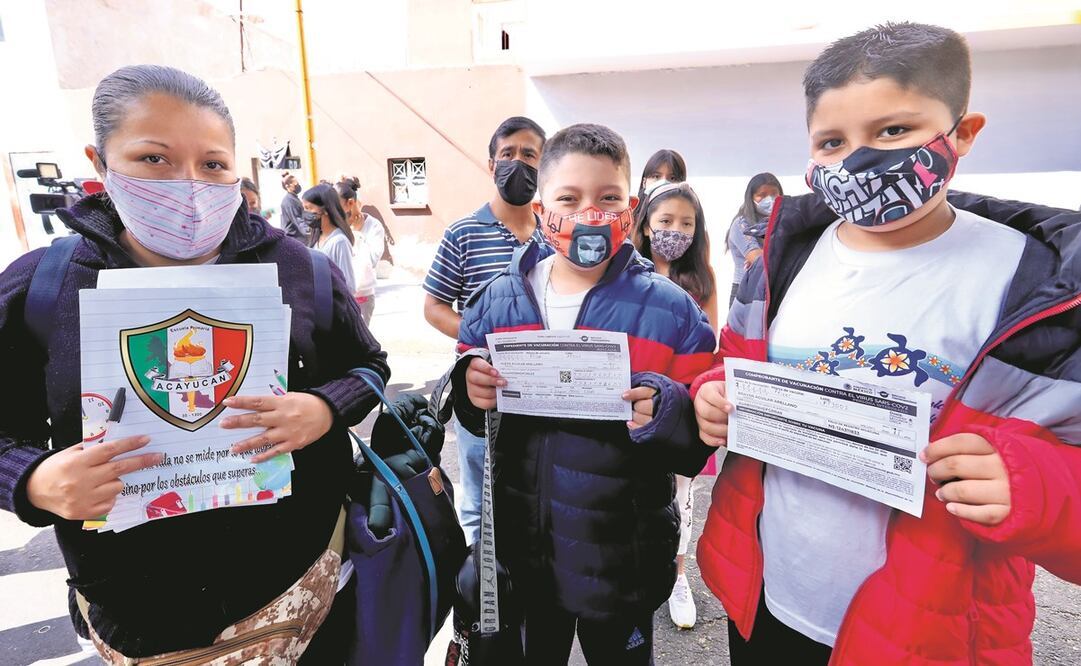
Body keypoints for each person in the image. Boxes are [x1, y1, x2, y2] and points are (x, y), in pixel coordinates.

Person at [692, 23, 1081, 664]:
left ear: (963, 132)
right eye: (833, 141)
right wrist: (714, 396)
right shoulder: (782, 258)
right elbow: (736, 365)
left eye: (893, 131)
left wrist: (1029, 484)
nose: (861, 158)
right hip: (767, 604)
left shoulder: (1034, 286)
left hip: (925, 633)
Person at [0, 64, 389, 664]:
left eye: (212, 164)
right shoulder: (42, 288)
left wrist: (322, 408)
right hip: (136, 620)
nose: (188, 184)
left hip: (302, 595)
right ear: (99, 163)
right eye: (154, 159)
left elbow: (368, 369)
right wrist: (34, 481)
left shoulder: (301, 271)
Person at [456, 123, 719, 664]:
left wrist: (667, 409)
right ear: (540, 205)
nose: (589, 215)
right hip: (526, 553)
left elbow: (701, 437)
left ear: (633, 206)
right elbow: (465, 396)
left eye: (608, 198)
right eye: (568, 199)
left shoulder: (671, 311)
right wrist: (466, 387)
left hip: (622, 556)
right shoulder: (495, 303)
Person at [422, 115, 547, 544]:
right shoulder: (463, 233)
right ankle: (480, 599)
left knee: (535, 494)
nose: (517, 163)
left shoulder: (554, 237)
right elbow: (434, 307)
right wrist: (480, 338)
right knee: (479, 502)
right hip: (481, 392)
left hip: (539, 393)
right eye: (507, 154)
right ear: (491, 165)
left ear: (544, 166)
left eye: (529, 155)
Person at [632, 179, 718, 630]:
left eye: (686, 223)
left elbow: (711, 351)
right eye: (665, 221)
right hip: (633, 412)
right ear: (645, 225)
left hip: (680, 412)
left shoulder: (701, 280)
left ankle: (678, 576)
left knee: (683, 499)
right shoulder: (624, 276)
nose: (675, 231)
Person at [725, 173, 782, 306]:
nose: (769, 199)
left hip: (774, 292)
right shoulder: (741, 224)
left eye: (774, 194)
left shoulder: (782, 223)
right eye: (761, 195)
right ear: (750, 198)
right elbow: (758, 260)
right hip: (746, 294)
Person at [303, 183, 357, 297]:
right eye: (304, 208)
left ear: (326, 210)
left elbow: (349, 286)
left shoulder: (339, 242)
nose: (305, 213)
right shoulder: (316, 238)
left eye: (309, 208)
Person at [336, 180, 377, 324]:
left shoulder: (372, 226)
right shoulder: (335, 224)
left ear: (351, 203)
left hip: (363, 291)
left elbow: (372, 260)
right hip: (339, 293)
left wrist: (358, 235)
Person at [280, 171, 309, 243]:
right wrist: (310, 232)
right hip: (295, 239)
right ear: (288, 186)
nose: (298, 185)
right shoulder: (289, 201)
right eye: (295, 184)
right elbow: (298, 220)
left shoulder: (294, 198)